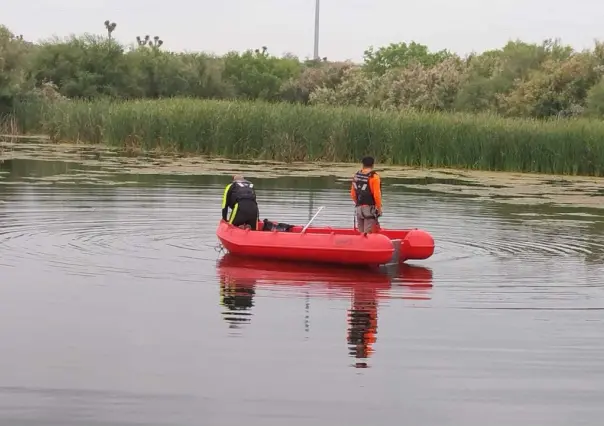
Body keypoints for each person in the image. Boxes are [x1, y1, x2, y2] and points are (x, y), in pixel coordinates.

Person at [350, 156, 382, 233]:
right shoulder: (374, 177)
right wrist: (379, 209)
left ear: (363, 164)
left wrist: (358, 204)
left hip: (359, 208)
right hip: (369, 209)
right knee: (368, 235)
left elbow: (352, 194)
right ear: (373, 165)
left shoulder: (356, 176)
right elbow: (377, 195)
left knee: (361, 234)